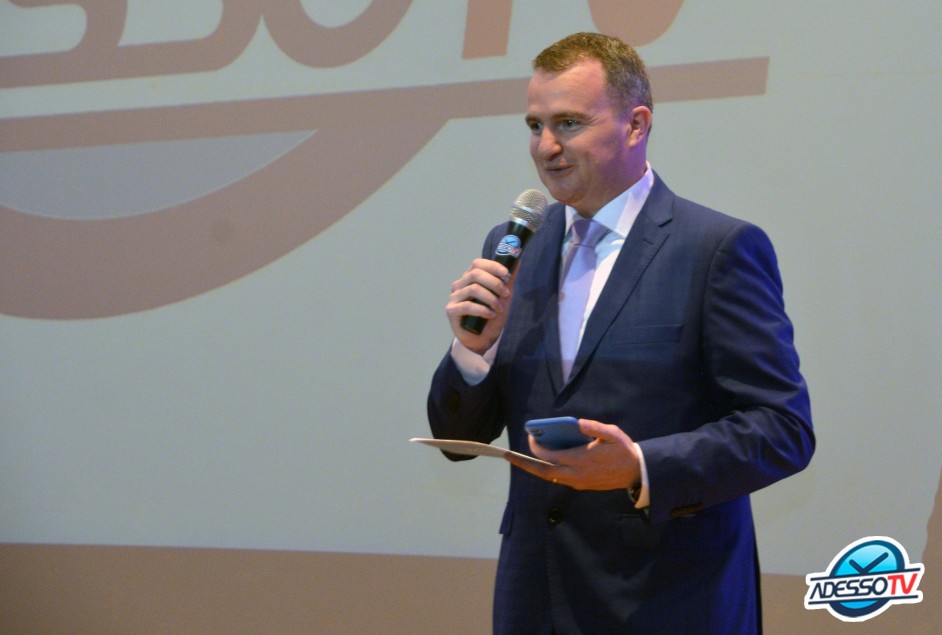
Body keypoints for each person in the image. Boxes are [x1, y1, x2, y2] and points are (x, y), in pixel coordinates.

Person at [426, 32, 814, 634]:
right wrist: (475, 350)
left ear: (636, 125)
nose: (546, 147)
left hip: (670, 603)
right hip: (536, 602)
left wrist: (639, 466)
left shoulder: (715, 249)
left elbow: (782, 430)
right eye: (535, 125)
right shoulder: (515, 247)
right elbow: (458, 440)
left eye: (569, 123)